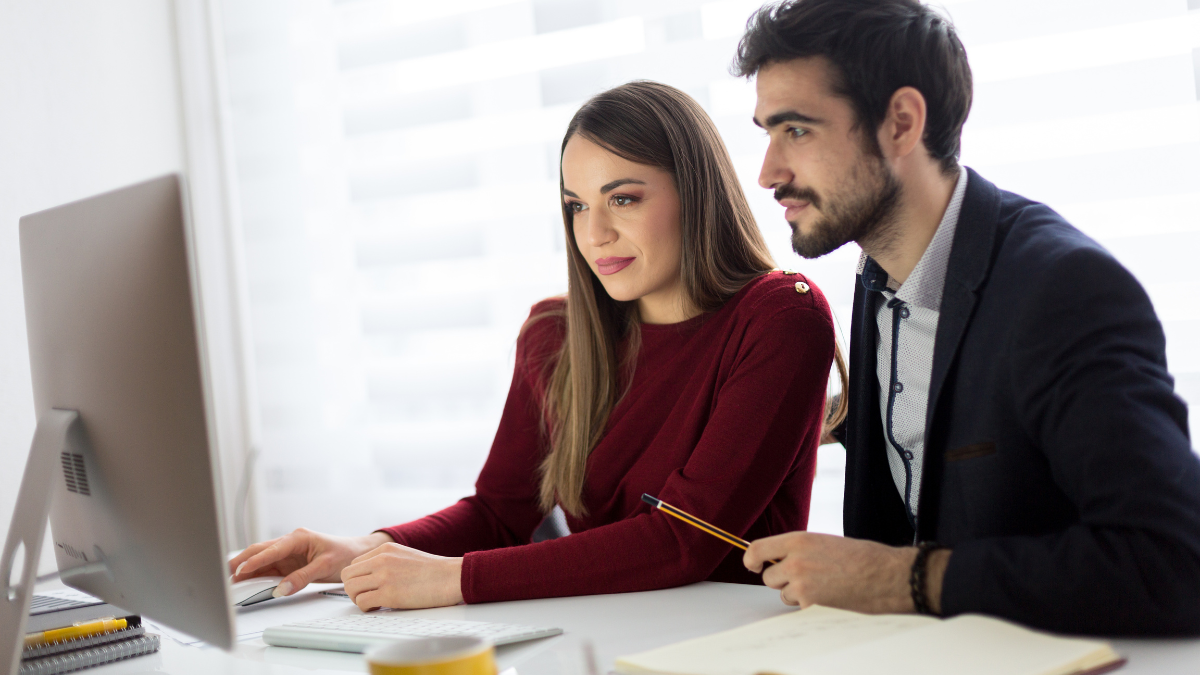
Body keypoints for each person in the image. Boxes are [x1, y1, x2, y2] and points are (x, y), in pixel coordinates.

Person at [229, 81, 847, 609]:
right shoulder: (555, 334)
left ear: (696, 191)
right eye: (577, 206)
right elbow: (500, 512)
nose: (595, 232)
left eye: (624, 198)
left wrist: (457, 581)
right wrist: (371, 547)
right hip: (594, 634)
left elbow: (684, 541)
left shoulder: (780, 315)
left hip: (724, 644)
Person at [734, 0, 1200, 636]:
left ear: (901, 123)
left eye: (797, 130)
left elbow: (1176, 560)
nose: (768, 174)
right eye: (767, 133)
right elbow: (954, 394)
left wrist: (897, 578)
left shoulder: (1062, 289)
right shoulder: (879, 271)